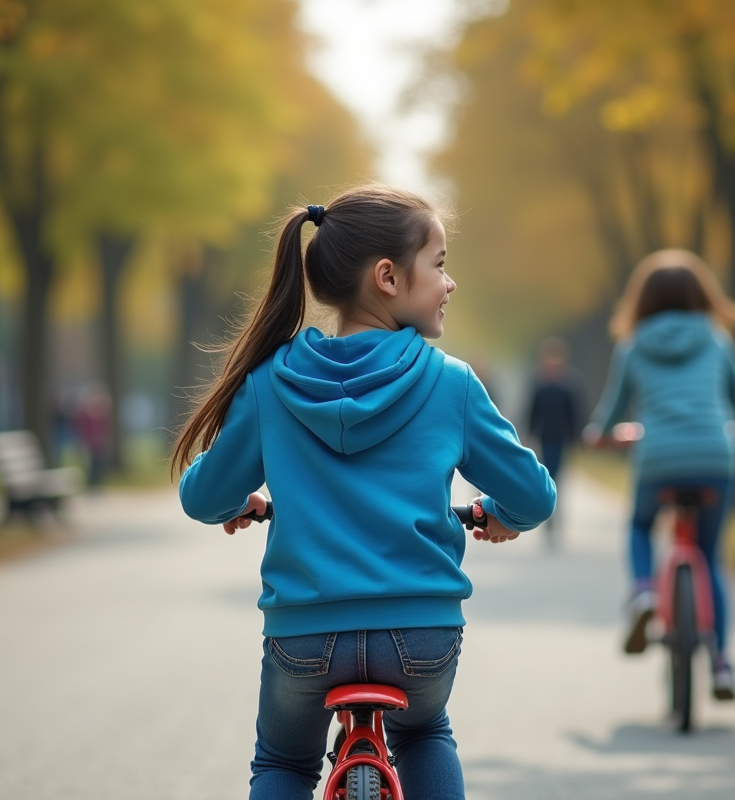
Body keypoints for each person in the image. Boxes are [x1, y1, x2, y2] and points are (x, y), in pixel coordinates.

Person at [173, 185, 556, 800]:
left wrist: (236, 501)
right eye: (438, 263)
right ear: (387, 276)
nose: (449, 281)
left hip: (306, 636)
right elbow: (534, 498)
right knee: (425, 733)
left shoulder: (270, 383)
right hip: (420, 635)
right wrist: (499, 514)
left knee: (283, 763)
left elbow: (202, 497)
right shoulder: (452, 383)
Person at [581, 249, 735, 702]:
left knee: (641, 525)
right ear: (701, 294)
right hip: (715, 457)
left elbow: (611, 412)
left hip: (659, 457)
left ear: (642, 300)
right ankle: (722, 663)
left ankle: (644, 592)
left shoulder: (633, 344)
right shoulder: (718, 339)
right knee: (711, 555)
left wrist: (600, 434)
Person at [526, 337, 582, 546]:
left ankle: (554, 516)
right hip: (544, 439)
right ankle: (548, 516)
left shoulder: (569, 384)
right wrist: (530, 434)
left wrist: (576, 438)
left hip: (561, 440)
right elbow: (532, 411)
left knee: (557, 478)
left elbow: (575, 414)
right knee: (547, 477)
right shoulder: (539, 383)